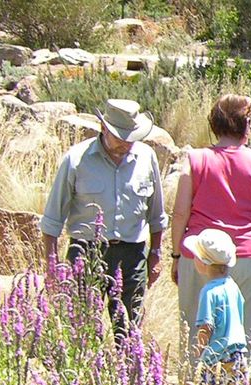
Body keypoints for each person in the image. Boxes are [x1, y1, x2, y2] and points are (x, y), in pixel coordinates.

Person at [40, 99, 168, 341]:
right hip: (86, 253)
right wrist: (51, 267)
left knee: (130, 334)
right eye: (120, 137)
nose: (126, 144)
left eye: (130, 138)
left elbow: (156, 214)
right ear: (103, 127)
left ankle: (127, 377)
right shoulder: (76, 160)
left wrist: (156, 254)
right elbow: (53, 219)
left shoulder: (146, 157)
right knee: (82, 332)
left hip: (132, 256)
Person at [170, 94, 251, 357]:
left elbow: (179, 214)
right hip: (250, 257)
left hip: (201, 256)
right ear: (246, 125)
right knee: (248, 335)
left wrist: (176, 255)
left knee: (196, 332)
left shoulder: (195, 160)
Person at [184, 229, 249, 385]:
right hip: (238, 356)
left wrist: (198, 353)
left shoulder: (208, 292)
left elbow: (206, 327)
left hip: (217, 360)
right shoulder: (233, 286)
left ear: (202, 262)